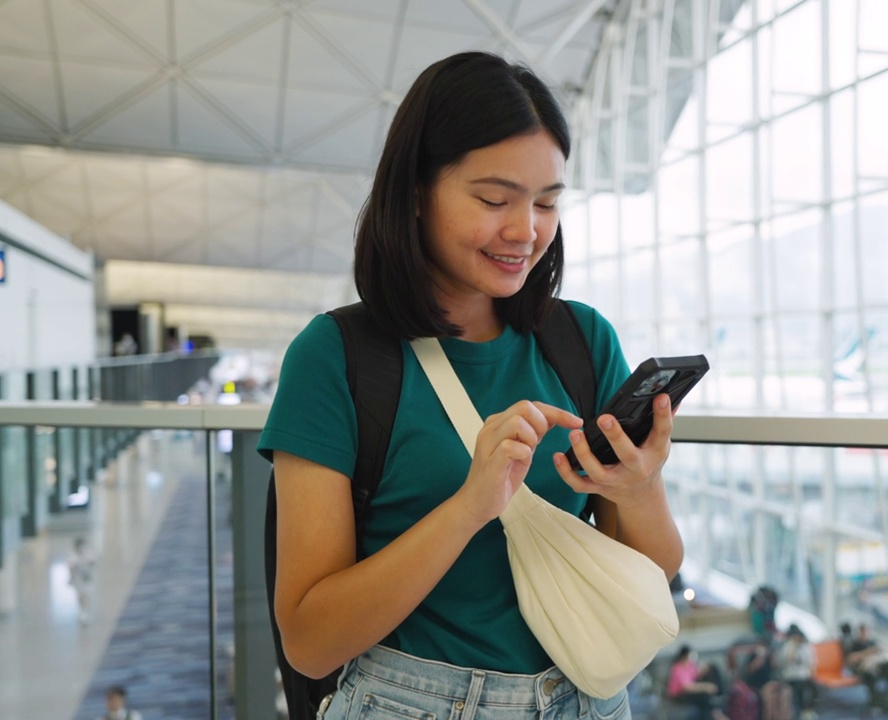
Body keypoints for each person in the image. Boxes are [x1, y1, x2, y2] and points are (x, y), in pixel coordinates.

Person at [259, 51, 683, 720]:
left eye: (547, 202)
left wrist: (639, 487)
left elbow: (651, 575)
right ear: (417, 192)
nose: (526, 231)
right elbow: (310, 642)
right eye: (494, 200)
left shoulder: (581, 341)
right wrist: (470, 506)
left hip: (586, 700)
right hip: (412, 704)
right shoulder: (338, 356)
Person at [839, 622, 888, 707]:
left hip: (875, 665)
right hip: (861, 669)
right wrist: (869, 652)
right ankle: (875, 702)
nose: (864, 634)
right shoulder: (855, 644)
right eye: (862, 632)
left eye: (866, 632)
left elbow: (883, 651)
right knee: (870, 675)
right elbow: (851, 659)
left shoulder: (871, 642)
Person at [666, 645, 728, 720]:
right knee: (704, 697)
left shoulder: (689, 665)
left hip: (689, 692)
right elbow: (687, 687)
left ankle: (716, 708)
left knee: (713, 668)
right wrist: (705, 687)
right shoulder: (677, 668)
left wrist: (705, 668)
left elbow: (696, 675)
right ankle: (716, 714)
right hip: (679, 695)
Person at [777, 624, 817, 720]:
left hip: (804, 676)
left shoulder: (806, 647)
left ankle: (807, 710)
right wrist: (793, 648)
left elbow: (811, 663)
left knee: (813, 688)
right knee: (797, 690)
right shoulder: (787, 646)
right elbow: (786, 662)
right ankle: (798, 712)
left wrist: (811, 674)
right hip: (791, 676)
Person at [68, 536, 96, 625]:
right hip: (78, 578)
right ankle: (82, 611)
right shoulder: (73, 555)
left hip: (86, 577)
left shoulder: (88, 553)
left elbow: (92, 562)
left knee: (85, 595)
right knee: (80, 595)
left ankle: (85, 613)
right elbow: (71, 567)